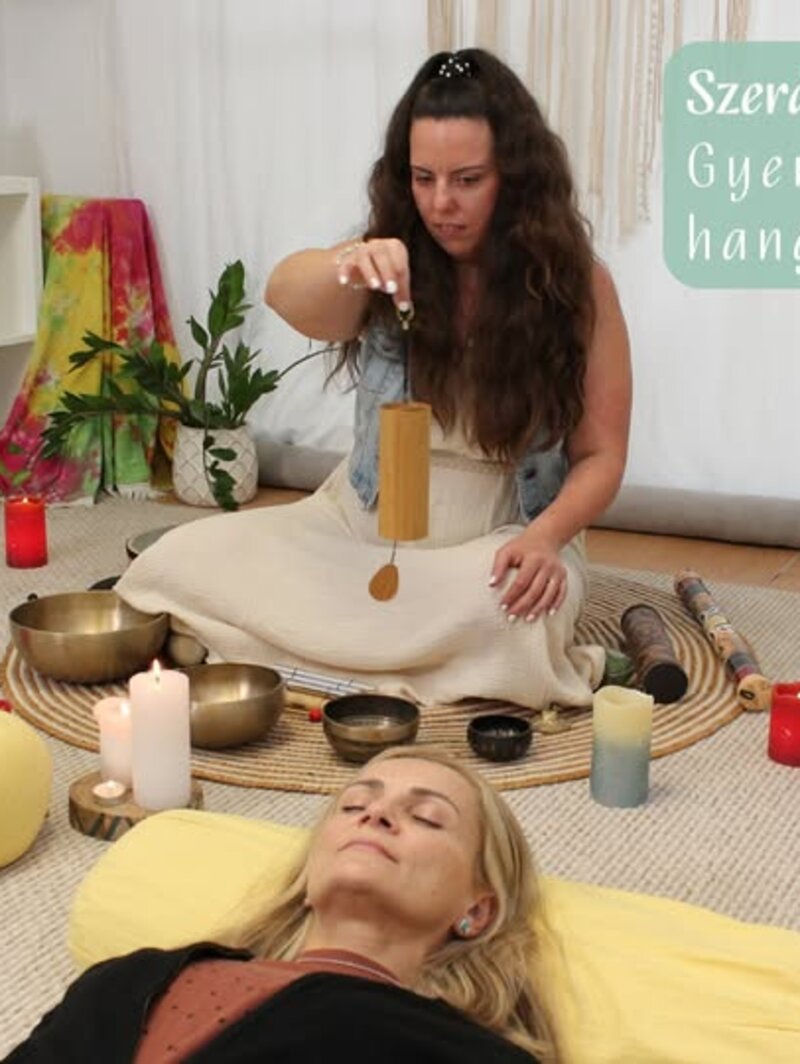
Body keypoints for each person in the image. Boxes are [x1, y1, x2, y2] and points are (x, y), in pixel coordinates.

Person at [115, 47, 631, 711]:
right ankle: (398, 663)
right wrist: (350, 264)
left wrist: (546, 538)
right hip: (361, 527)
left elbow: (601, 455)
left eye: (468, 180)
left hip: (503, 535)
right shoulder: (388, 260)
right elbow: (283, 292)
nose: (441, 203)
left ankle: (290, 651)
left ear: (516, 176)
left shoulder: (576, 285)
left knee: (510, 616)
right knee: (175, 560)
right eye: (423, 178)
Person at [5, 747, 562, 1062]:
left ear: (477, 911)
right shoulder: (127, 978)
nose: (375, 815)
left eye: (426, 818)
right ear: (308, 877)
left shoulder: (466, 1054)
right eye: (353, 806)